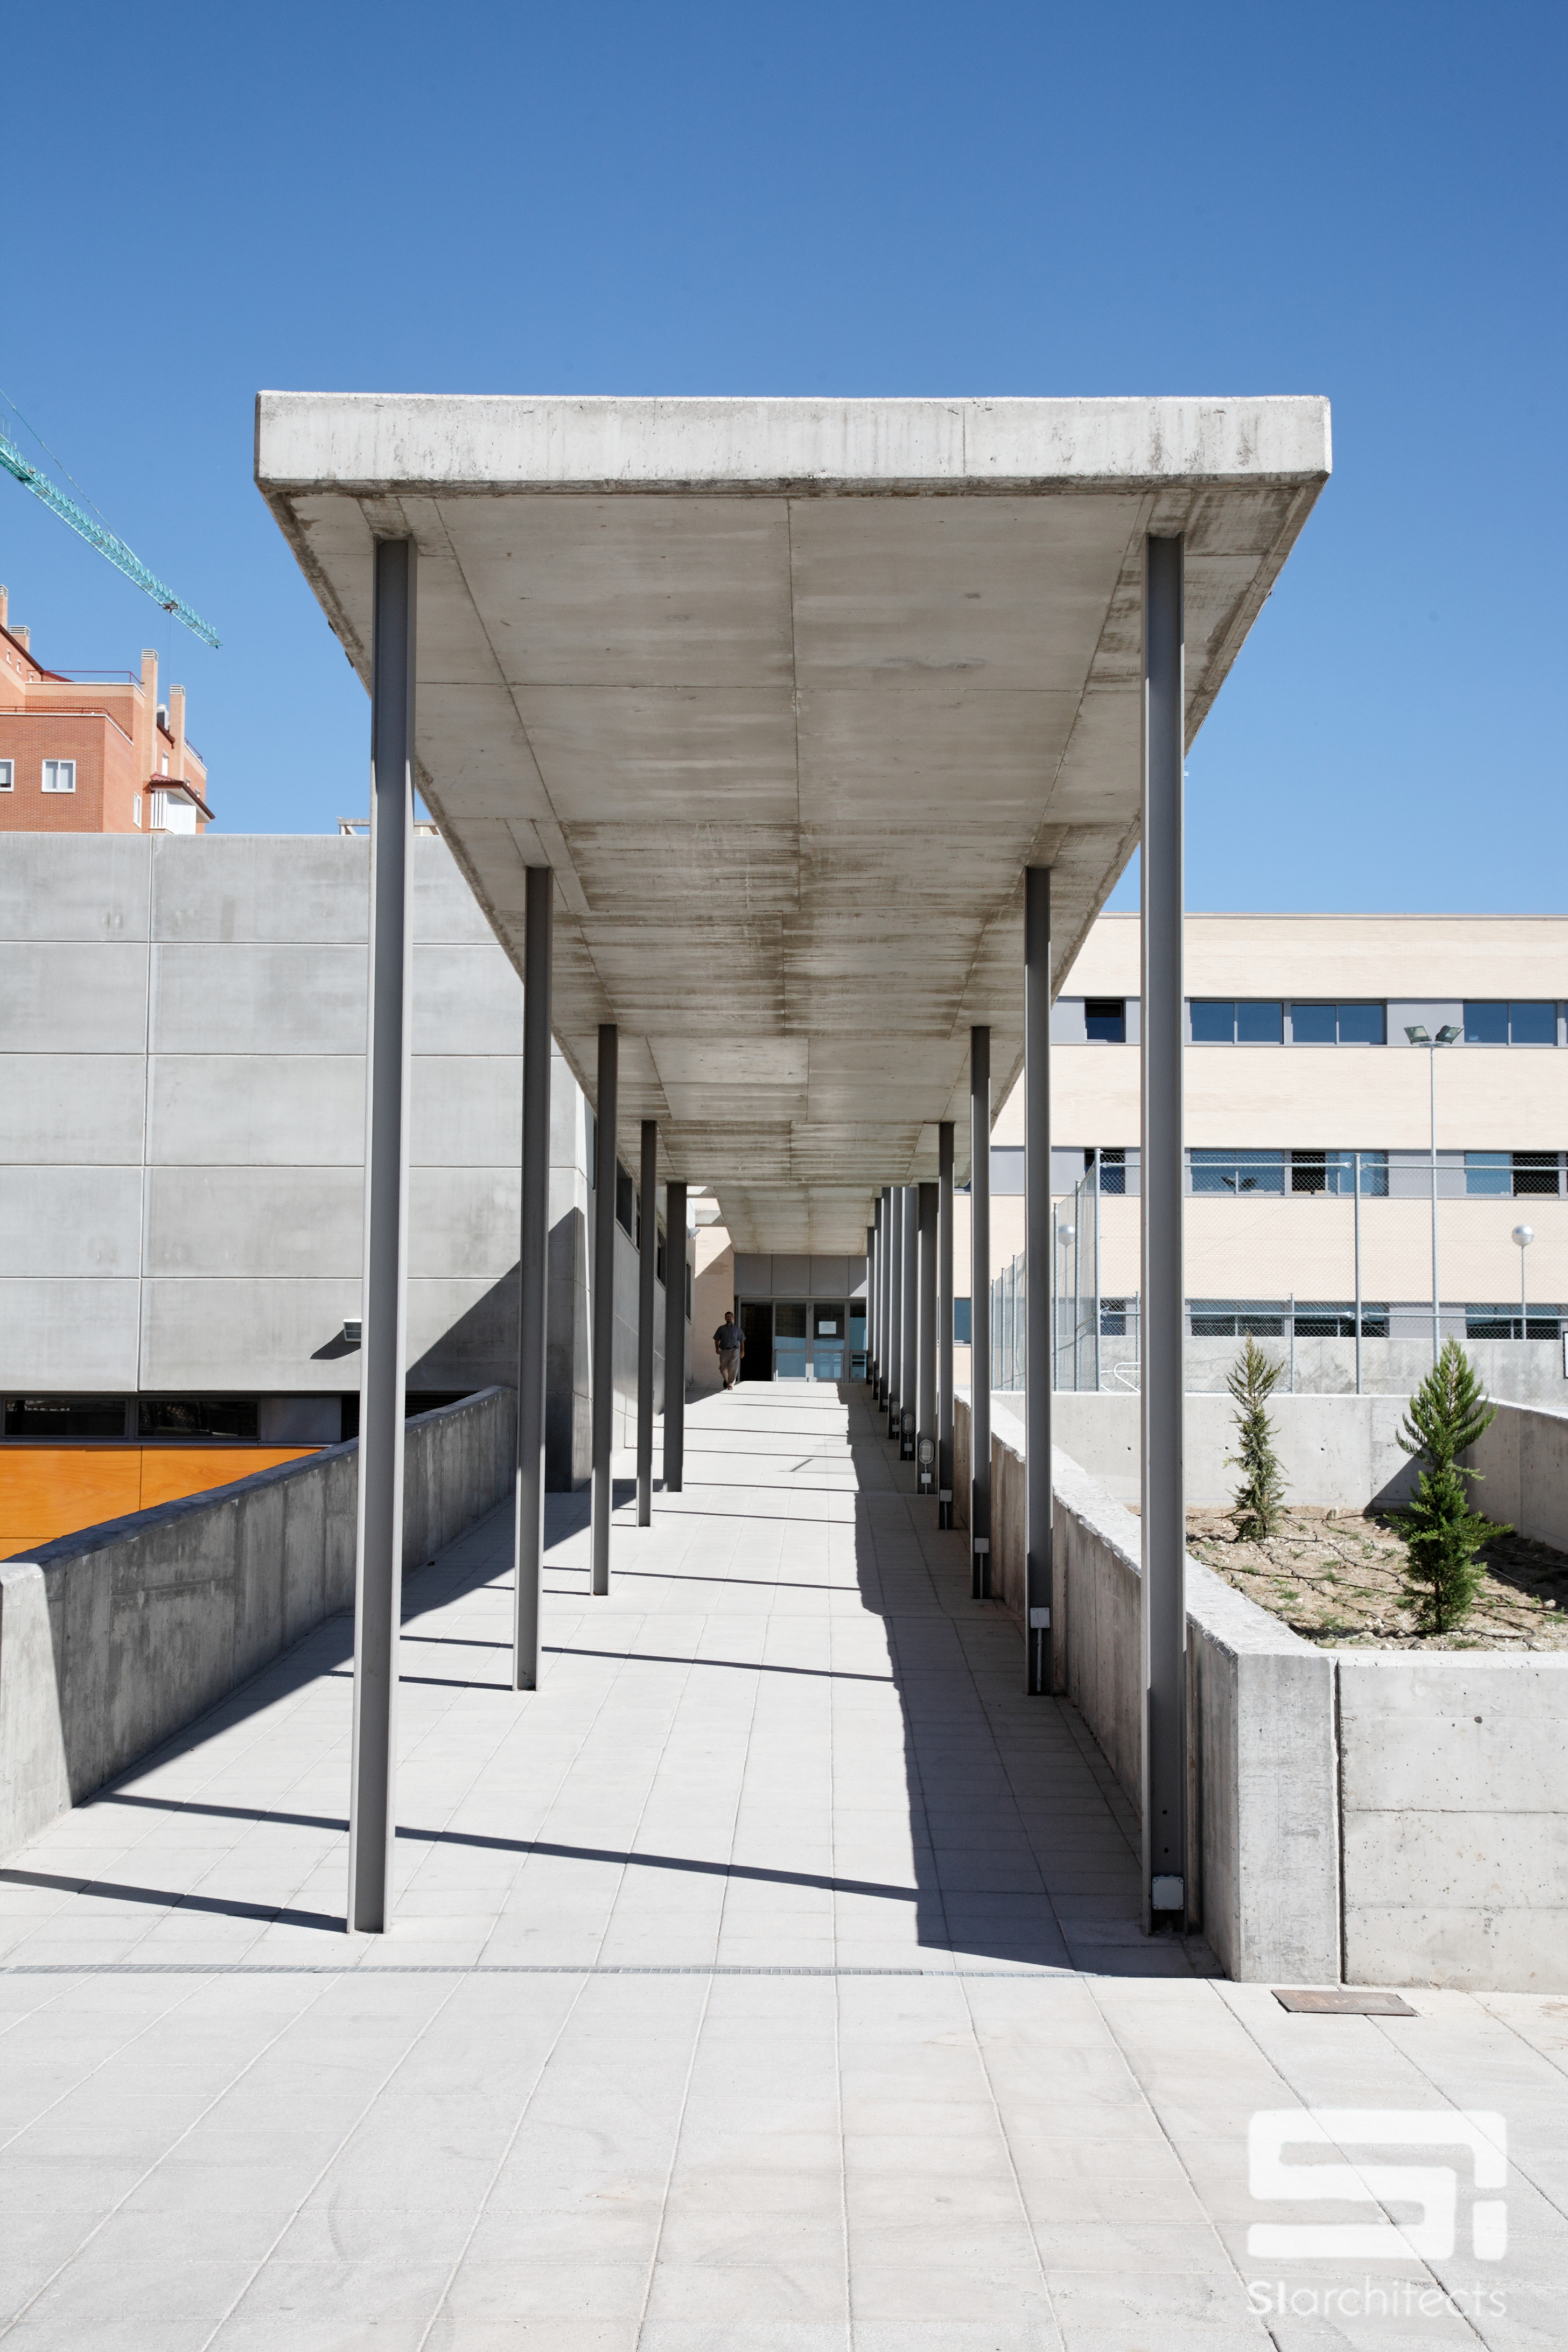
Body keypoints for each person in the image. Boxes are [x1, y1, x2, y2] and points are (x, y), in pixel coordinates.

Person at [715, 1311, 745, 1390]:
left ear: (733, 1318)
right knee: (722, 1368)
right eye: (727, 1317)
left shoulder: (737, 1329)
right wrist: (717, 1348)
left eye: (730, 1317)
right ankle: (727, 1380)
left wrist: (742, 1351)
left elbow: (742, 1340)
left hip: (735, 1350)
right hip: (724, 1350)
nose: (729, 1318)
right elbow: (717, 1339)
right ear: (725, 1318)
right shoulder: (721, 1329)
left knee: (733, 1368)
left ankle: (731, 1384)